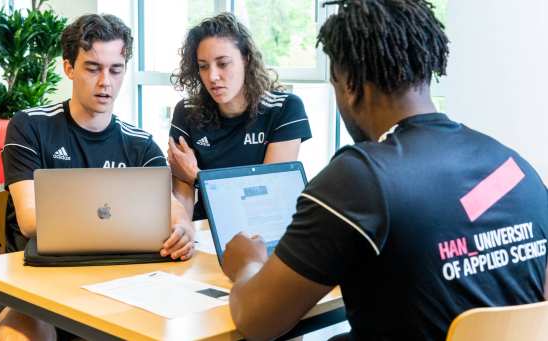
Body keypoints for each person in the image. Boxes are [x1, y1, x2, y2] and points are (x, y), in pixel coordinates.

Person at [221, 1, 548, 340]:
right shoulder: (514, 168)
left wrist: (247, 264)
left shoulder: (360, 177)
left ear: (350, 86)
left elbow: (257, 323)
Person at [0, 14, 195, 340]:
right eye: (93, 68)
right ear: (69, 68)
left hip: (124, 285)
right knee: (17, 332)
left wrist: (183, 229)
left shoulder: (140, 144)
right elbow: (31, 220)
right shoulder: (30, 126)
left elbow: (172, 211)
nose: (106, 81)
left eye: (115, 70)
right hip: (40, 284)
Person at [168, 12, 312, 220]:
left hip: (261, 228)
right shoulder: (186, 111)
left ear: (246, 59)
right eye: (203, 66)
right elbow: (182, 190)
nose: (213, 76)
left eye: (223, 63)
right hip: (206, 227)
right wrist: (182, 230)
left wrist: (198, 177)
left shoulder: (285, 108)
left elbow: (265, 196)